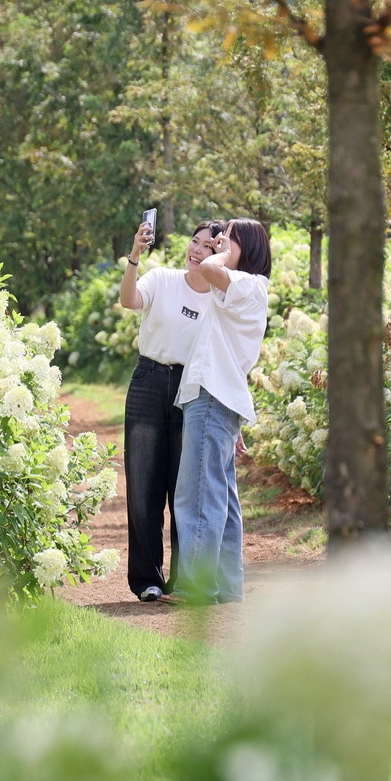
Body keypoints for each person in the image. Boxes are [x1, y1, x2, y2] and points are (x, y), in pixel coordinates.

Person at [163, 218, 271, 605]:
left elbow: (209, 269)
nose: (219, 246)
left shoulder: (246, 283)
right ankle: (226, 587)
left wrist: (221, 252)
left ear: (248, 247)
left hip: (211, 399)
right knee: (221, 496)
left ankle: (197, 586)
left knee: (197, 495)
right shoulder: (247, 289)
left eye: (229, 240)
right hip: (218, 399)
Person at [118, 218, 221, 602]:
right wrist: (135, 257)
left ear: (221, 255)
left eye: (208, 247)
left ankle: (183, 580)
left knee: (185, 489)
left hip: (193, 389)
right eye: (195, 242)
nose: (197, 251)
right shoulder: (161, 279)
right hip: (148, 382)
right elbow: (129, 301)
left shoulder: (219, 300)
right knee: (143, 486)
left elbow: (225, 359)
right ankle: (147, 579)